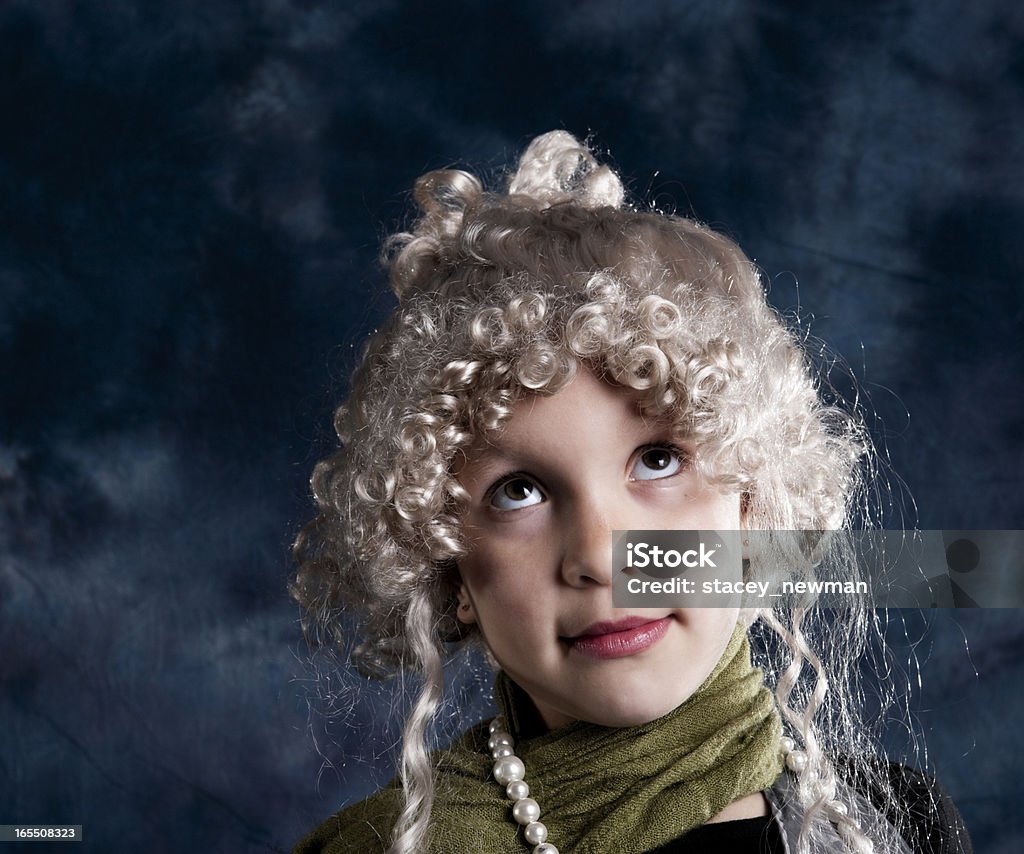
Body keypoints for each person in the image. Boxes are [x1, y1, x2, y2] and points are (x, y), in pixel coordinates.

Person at [290, 131, 972, 854]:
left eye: (657, 461)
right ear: (449, 568)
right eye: (518, 491)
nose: (600, 555)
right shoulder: (395, 845)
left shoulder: (892, 822)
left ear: (749, 511)